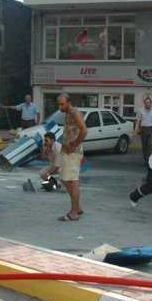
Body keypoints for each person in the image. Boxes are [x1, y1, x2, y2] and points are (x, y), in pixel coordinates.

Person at [57, 93, 87, 221]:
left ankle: (74, 212)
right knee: (65, 179)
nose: (60, 107)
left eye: (62, 104)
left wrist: (74, 146)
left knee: (72, 182)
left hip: (73, 153)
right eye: (58, 104)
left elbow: (84, 130)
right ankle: (77, 207)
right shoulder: (68, 113)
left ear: (69, 103)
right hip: (67, 151)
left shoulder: (75, 113)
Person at [134, 96, 152, 166]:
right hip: (143, 129)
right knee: (144, 146)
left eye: (148, 103)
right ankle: (146, 160)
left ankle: (150, 160)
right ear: (144, 103)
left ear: (151, 103)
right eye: (145, 103)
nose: (147, 104)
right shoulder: (140, 110)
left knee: (150, 145)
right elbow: (138, 121)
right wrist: (136, 130)